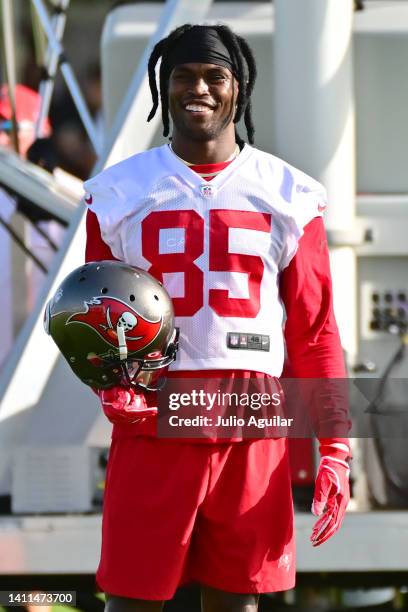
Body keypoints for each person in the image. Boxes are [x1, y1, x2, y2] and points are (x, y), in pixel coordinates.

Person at [84, 24, 351, 612]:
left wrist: (335, 445)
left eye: (214, 76)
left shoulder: (289, 193)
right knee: (131, 599)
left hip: (250, 417)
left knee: (239, 601)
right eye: (183, 75)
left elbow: (315, 330)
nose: (198, 89)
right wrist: (111, 383)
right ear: (164, 84)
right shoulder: (118, 192)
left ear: (239, 87)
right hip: (158, 412)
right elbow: (92, 314)